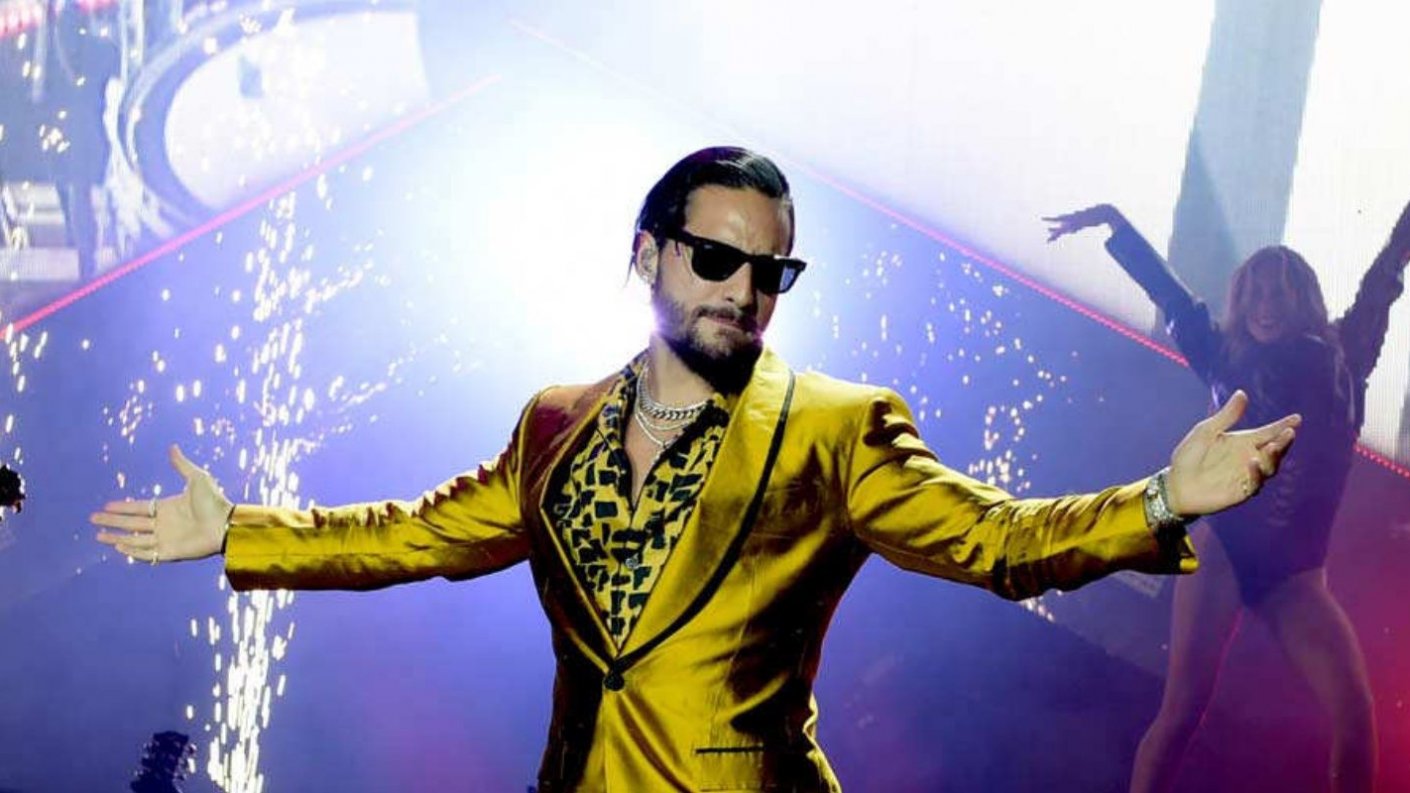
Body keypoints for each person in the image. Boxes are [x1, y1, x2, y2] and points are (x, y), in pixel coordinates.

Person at [94, 147, 1299, 792]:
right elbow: (417, 533)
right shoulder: (555, 423)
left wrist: (1160, 498)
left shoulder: (838, 427)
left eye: (771, 270)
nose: (744, 289)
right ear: (648, 254)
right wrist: (238, 530)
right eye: (717, 257)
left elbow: (996, 541)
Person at [1045, 198, 1410, 793]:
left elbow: (1385, 275)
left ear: (1302, 299)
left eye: (1278, 293)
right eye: (1255, 293)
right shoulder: (1227, 356)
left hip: (1296, 578)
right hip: (1225, 554)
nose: (1265, 305)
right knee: (1183, 710)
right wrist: (1117, 223)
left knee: (1355, 710)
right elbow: (1174, 299)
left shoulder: (1348, 353)